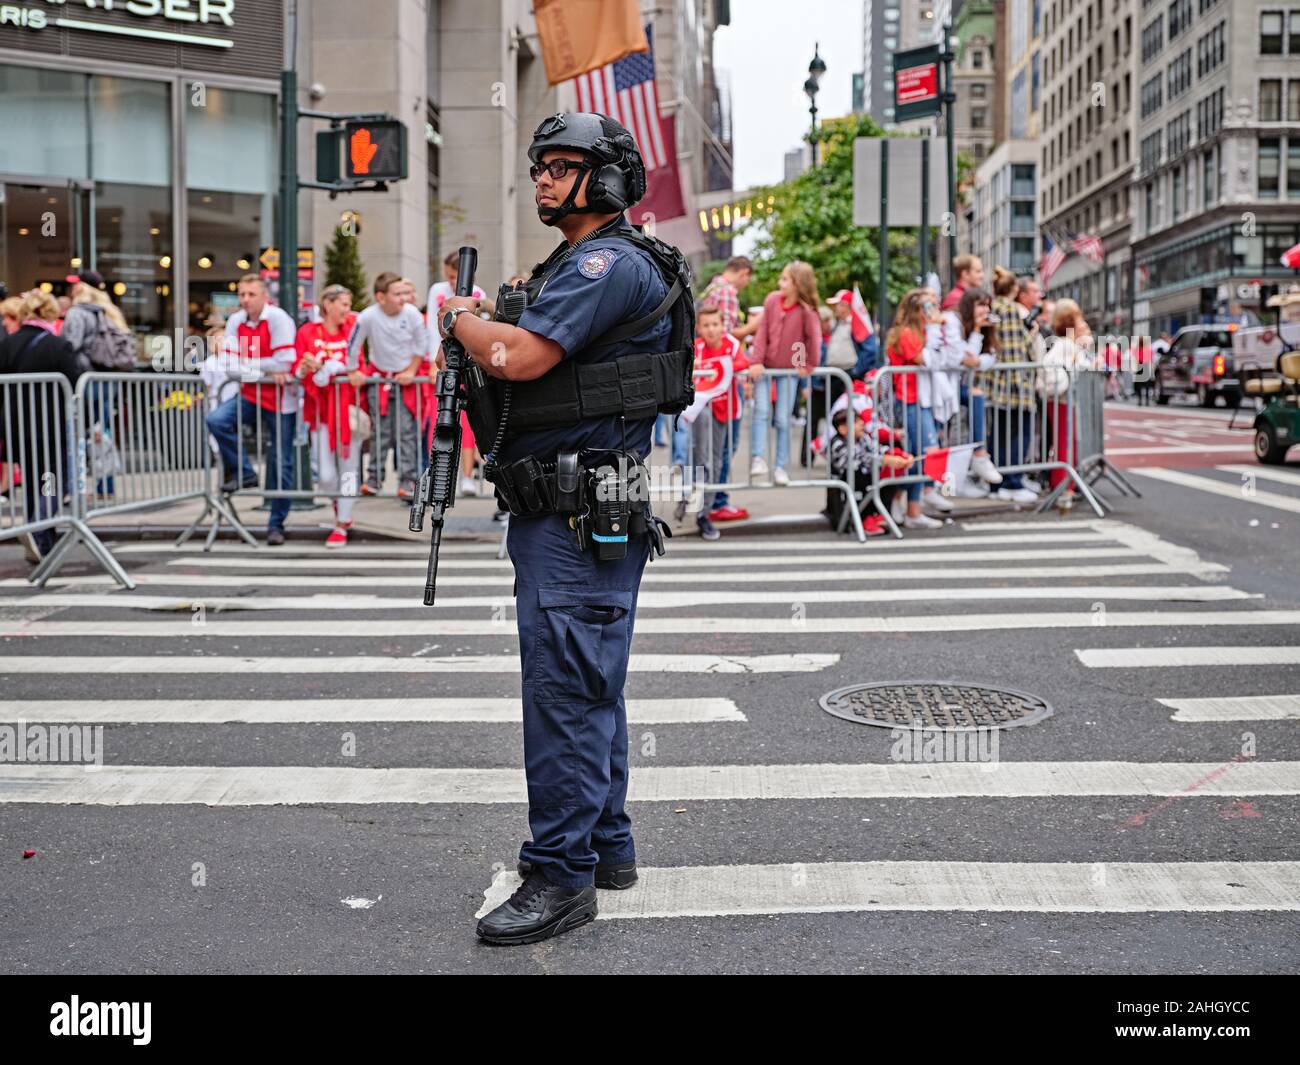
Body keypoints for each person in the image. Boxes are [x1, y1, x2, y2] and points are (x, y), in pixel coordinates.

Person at [439, 111, 692, 945]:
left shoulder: (602, 262)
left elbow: (518, 357)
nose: (543, 179)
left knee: (564, 692)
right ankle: (606, 845)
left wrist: (459, 318)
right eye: (539, 166)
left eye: (561, 165)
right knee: (590, 685)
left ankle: (560, 875)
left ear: (606, 177)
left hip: (575, 511)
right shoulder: (604, 260)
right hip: (584, 504)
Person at [204, 274, 298, 545]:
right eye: (242, 294)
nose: (245, 299)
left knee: (281, 461)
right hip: (249, 394)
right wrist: (265, 370)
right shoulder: (236, 321)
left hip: (281, 399)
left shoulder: (278, 319)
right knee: (217, 420)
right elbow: (229, 366)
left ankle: (276, 524)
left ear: (264, 296)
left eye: (251, 294)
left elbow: (286, 360)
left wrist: (249, 364)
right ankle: (245, 471)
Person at [0, 289, 87, 560]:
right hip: (49, 426)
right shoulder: (57, 345)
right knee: (51, 480)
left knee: (31, 481)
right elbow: (74, 384)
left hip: (16, 425)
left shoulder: (8, 344)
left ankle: (39, 538)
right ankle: (39, 530)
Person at [345, 271, 428, 500]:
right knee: (379, 431)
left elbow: (422, 344)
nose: (403, 298)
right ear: (381, 297)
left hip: (406, 380)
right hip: (379, 378)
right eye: (397, 294)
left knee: (407, 432)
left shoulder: (412, 314)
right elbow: (353, 344)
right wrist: (352, 370)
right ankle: (374, 477)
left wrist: (411, 370)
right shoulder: (367, 316)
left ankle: (408, 479)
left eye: (404, 293)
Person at [294, 284, 360, 547]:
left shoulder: (353, 329)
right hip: (320, 412)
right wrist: (305, 367)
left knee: (349, 470)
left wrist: (333, 367)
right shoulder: (308, 331)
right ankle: (339, 503)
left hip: (348, 410)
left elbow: (358, 365)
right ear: (328, 304)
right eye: (344, 304)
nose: (348, 309)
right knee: (325, 475)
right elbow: (298, 366)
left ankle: (342, 522)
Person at [428, 250, 493, 497]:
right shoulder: (438, 290)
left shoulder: (479, 294)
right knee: (440, 421)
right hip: (442, 361)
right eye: (448, 275)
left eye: (455, 276)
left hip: (468, 363)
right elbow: (431, 326)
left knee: (468, 424)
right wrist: (433, 357)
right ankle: (436, 475)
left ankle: (467, 476)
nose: (451, 280)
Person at [749, 261, 821, 485]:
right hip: (766, 367)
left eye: (785, 279)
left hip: (789, 371)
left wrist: (808, 364)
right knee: (761, 411)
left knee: (782, 419)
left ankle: (781, 466)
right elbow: (762, 333)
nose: (780, 283)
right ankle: (758, 458)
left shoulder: (806, 311)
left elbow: (813, 338)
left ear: (798, 284)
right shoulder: (772, 300)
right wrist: (756, 361)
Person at [885, 288, 947, 528]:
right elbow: (927, 361)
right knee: (925, 454)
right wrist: (934, 329)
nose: (935, 311)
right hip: (910, 401)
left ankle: (905, 505)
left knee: (916, 456)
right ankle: (909, 507)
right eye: (929, 307)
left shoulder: (918, 332)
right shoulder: (907, 333)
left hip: (921, 400)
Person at [980, 267, 1041, 504]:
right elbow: (1014, 350)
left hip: (996, 384)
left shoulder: (993, 307)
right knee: (1017, 435)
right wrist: (1021, 384)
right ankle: (1011, 482)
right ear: (1014, 289)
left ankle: (998, 483)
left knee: (999, 435)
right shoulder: (1010, 310)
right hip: (1012, 386)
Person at [690, 304, 750, 539]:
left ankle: (708, 507)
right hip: (701, 411)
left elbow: (743, 362)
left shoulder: (731, 344)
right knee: (701, 460)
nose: (711, 329)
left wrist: (717, 366)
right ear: (699, 327)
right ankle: (699, 509)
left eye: (715, 324)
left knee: (718, 460)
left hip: (726, 410)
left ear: (723, 325)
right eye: (706, 325)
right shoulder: (696, 347)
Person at [1041, 298, 1100, 509]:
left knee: (1069, 442)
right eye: (1078, 318)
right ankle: (1063, 485)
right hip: (1061, 400)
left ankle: (1067, 485)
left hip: (1066, 400)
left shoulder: (1069, 345)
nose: (1083, 323)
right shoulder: (1064, 345)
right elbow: (1058, 368)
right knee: (1065, 444)